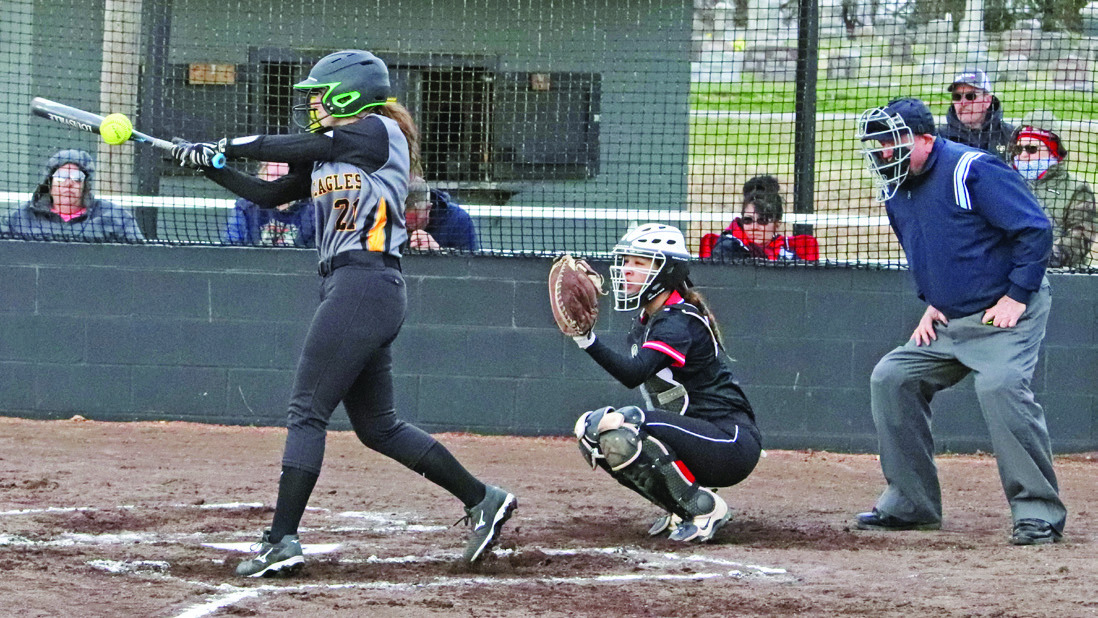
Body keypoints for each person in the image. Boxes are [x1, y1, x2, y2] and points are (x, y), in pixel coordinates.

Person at [170, 50, 516, 577]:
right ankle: (483, 499)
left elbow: (286, 145)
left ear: (348, 93)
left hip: (365, 281)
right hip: (352, 288)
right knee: (378, 427)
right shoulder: (331, 154)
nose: (312, 102)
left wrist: (225, 145)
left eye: (319, 93)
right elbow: (270, 193)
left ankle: (281, 540)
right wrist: (210, 168)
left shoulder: (377, 131)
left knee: (307, 409)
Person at [855, 98, 1065, 545]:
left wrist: (1017, 295)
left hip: (1004, 311)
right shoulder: (895, 186)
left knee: (1000, 387)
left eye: (893, 143)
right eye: (877, 144)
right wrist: (931, 300)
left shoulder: (973, 170)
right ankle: (911, 504)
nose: (883, 152)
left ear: (927, 140)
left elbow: (1035, 229)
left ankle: (1037, 512)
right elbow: (923, 246)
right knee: (891, 377)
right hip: (950, 319)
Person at [570, 223, 762, 543]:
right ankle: (681, 505)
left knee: (625, 423)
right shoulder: (649, 320)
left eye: (640, 263)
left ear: (666, 271)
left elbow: (633, 374)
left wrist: (586, 340)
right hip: (697, 439)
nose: (628, 270)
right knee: (592, 434)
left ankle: (704, 509)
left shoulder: (677, 320)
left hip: (730, 442)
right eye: (627, 261)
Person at [1008, 111, 1095, 269]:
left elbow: (1080, 238)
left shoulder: (1077, 188)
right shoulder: (1006, 184)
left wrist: (1037, 261)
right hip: (1008, 276)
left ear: (1053, 151)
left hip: (1061, 278)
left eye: (1032, 149)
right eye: (1019, 149)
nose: (1023, 155)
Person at [2, 149, 144, 243]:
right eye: (61, 176)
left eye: (77, 177)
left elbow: (140, 258)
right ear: (49, 184)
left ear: (85, 186)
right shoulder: (19, 218)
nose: (68, 183)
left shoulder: (116, 217)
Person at [703, 189, 819, 261]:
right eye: (748, 220)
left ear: (777, 224)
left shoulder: (787, 255)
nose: (754, 227)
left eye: (762, 220)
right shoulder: (727, 248)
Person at [222, 161, 317, 247]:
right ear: (261, 176)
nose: (277, 181)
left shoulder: (313, 209)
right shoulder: (245, 207)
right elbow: (231, 243)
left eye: (282, 176)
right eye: (272, 175)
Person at [937, 69, 1014, 160]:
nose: (963, 103)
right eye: (957, 97)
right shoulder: (940, 138)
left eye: (970, 96)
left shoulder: (1010, 135)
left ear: (987, 101)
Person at [404, 176, 479, 251]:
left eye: (416, 220)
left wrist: (438, 251)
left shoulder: (458, 219)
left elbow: (471, 261)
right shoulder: (393, 221)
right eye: (405, 223)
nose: (410, 228)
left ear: (428, 208)